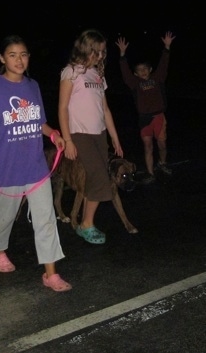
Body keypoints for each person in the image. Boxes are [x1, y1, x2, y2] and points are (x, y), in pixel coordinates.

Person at [0, 34, 72, 292]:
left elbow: (39, 122)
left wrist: (53, 134)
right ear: (2, 59)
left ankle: (51, 273)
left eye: (24, 54)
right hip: (6, 166)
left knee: (46, 218)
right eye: (13, 55)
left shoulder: (32, 86)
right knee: (4, 217)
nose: (19, 59)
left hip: (35, 165)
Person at [58, 29, 124, 245]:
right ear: (87, 49)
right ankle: (87, 224)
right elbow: (63, 108)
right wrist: (67, 139)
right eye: (98, 51)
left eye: (104, 52)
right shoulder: (71, 72)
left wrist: (114, 137)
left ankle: (83, 223)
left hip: (99, 134)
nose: (102, 55)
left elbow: (105, 110)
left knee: (94, 179)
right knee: (100, 178)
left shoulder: (97, 75)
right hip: (80, 133)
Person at [115, 31, 176, 184]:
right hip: (144, 119)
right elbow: (126, 74)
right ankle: (150, 173)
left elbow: (163, 64)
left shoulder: (158, 78)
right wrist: (122, 55)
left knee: (161, 144)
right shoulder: (135, 84)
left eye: (145, 69)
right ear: (136, 73)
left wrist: (167, 47)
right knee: (148, 146)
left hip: (159, 117)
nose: (142, 72)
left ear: (150, 70)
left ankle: (162, 163)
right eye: (139, 70)